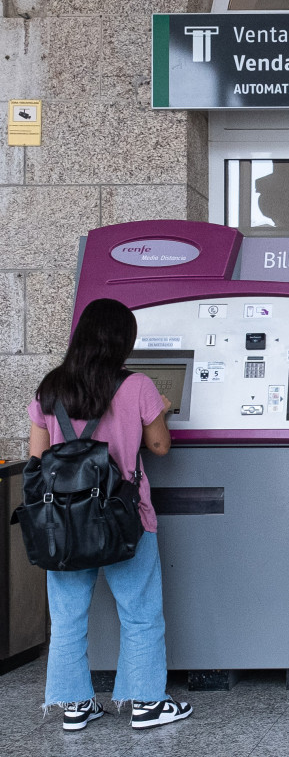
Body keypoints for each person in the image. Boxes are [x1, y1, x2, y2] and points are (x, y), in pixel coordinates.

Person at [27, 298, 193, 731]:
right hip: (123, 515)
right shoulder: (135, 385)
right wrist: (163, 408)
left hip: (63, 521)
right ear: (122, 340)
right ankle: (147, 705)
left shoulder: (50, 388)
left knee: (66, 618)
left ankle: (75, 707)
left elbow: (36, 456)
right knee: (139, 610)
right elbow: (159, 447)